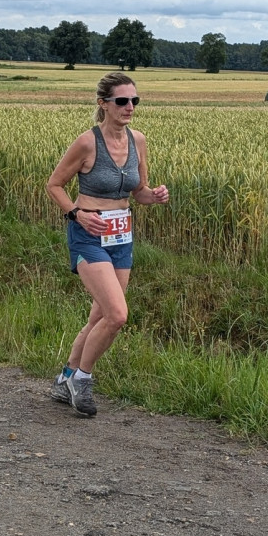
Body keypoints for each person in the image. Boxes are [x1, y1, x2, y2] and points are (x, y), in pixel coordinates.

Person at [46, 72, 169, 417]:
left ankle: (65, 378)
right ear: (103, 104)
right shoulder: (87, 142)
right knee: (117, 315)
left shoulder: (138, 140)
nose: (130, 107)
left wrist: (155, 196)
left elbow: (138, 192)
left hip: (121, 236)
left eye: (134, 101)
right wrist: (76, 213)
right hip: (88, 235)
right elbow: (54, 185)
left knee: (100, 315)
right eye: (122, 101)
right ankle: (81, 381)